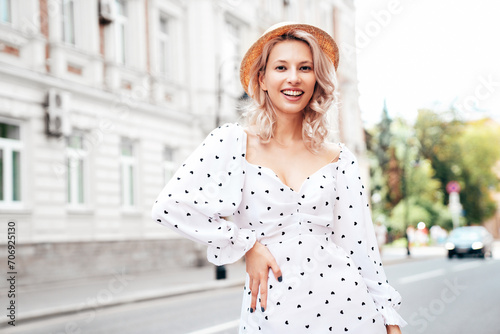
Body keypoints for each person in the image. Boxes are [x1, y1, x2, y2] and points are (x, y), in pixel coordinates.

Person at [152, 22, 407, 334]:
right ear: (262, 78)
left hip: (349, 314)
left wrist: (389, 319)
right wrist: (246, 244)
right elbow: (169, 207)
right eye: (281, 67)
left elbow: (361, 247)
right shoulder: (231, 142)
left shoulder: (340, 158)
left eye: (305, 68)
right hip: (273, 318)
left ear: (317, 80)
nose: (293, 78)